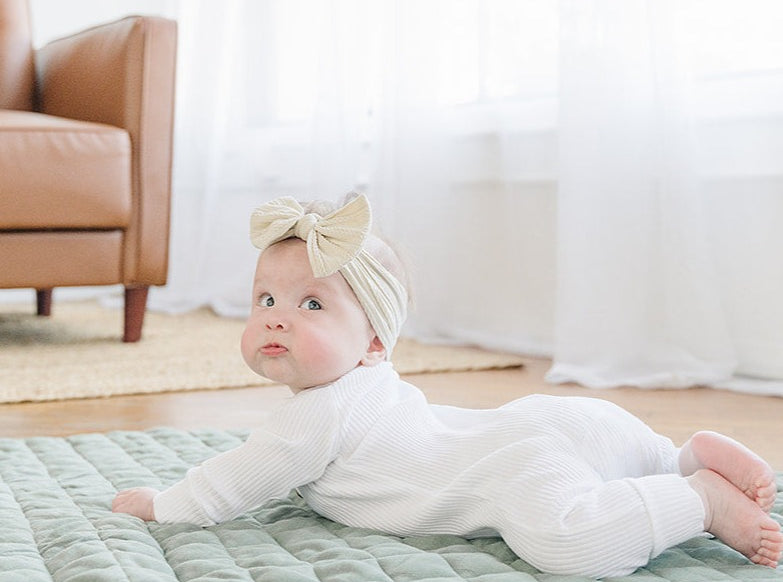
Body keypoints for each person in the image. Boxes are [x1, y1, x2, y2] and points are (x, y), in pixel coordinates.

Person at [113, 193, 782, 578]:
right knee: (612, 455)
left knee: (569, 542)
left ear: (375, 342)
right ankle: (675, 458)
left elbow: (239, 478)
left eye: (311, 304)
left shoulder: (313, 416)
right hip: (548, 422)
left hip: (517, 468)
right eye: (265, 299)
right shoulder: (373, 389)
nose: (276, 318)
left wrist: (168, 504)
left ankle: (696, 498)